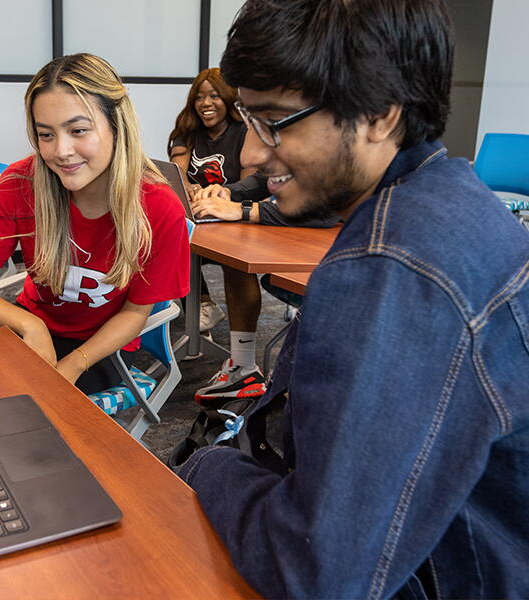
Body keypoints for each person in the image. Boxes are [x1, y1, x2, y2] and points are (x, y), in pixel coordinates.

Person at [177, 0, 529, 598]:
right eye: (249, 120)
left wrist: (205, 467)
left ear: (380, 115)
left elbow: (318, 573)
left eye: (275, 122)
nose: (255, 154)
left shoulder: (388, 272)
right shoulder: (453, 196)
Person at [0, 53, 190, 395]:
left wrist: (74, 363)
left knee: (39, 412)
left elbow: (136, 313)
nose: (61, 150)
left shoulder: (159, 207)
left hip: (103, 347)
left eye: (78, 131)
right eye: (46, 135)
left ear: (116, 125)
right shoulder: (19, 184)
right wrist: (30, 325)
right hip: (33, 323)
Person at [190, 177, 338, 405]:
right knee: (235, 255)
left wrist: (244, 210)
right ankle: (243, 368)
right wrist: (227, 192)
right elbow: (264, 178)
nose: (250, 155)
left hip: (341, 262)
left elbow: (325, 208)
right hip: (319, 248)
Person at [168, 68, 257, 333]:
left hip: (235, 219)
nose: (205, 103)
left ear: (228, 99)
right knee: (170, 240)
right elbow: (177, 171)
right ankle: (204, 303)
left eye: (214, 96)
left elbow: (251, 183)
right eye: (199, 97)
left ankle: (243, 352)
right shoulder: (187, 130)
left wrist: (223, 192)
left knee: (236, 263)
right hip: (199, 217)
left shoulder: (245, 131)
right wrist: (190, 187)